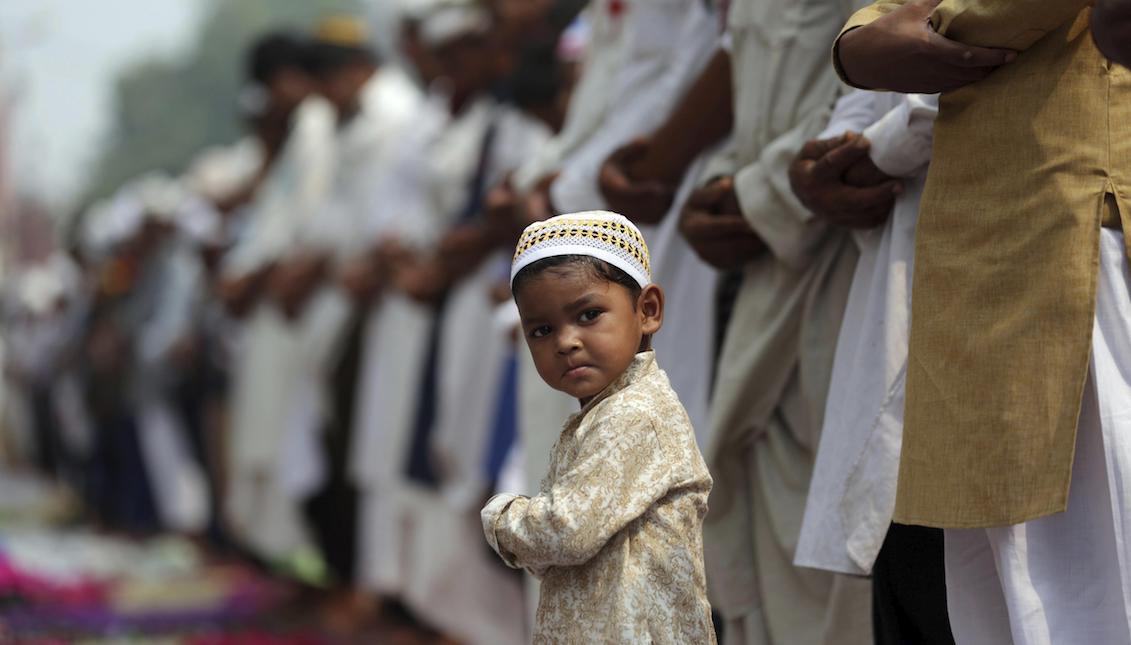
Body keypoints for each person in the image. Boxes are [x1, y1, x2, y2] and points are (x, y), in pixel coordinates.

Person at [835, 1, 1131, 643]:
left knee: (1090, 582)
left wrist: (889, 35)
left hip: (1078, 235)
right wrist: (864, 39)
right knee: (997, 588)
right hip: (977, 256)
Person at [481, 211, 716, 644]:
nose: (566, 341)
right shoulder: (605, 413)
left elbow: (566, 530)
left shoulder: (635, 416)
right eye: (542, 329)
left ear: (647, 310)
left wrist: (501, 519)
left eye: (588, 315)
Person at [789, 89, 951, 643]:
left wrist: (864, 154)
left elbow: (974, 45)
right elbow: (859, 100)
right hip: (897, 281)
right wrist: (835, 158)